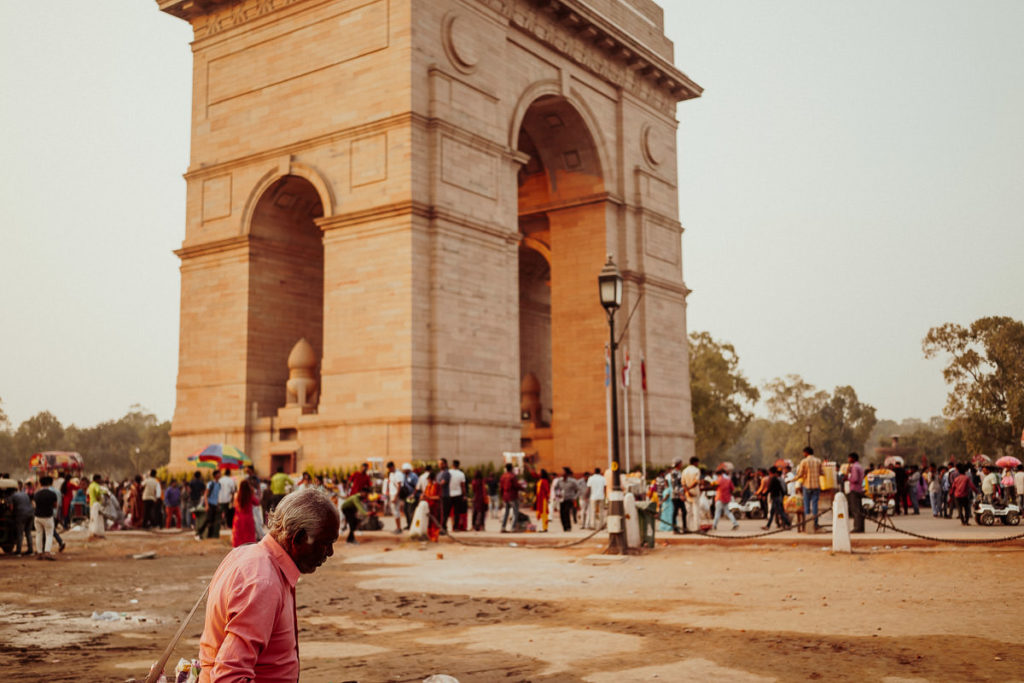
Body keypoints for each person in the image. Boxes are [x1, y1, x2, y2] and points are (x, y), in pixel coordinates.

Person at [197, 489, 340, 682]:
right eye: (325, 543)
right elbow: (229, 677)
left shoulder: (247, 555)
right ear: (298, 538)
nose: (329, 552)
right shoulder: (263, 582)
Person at [795, 447, 822, 532]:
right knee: (815, 506)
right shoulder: (818, 461)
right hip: (816, 486)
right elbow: (822, 473)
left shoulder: (804, 461)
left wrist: (793, 480)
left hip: (806, 486)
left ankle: (808, 524)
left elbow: (800, 474)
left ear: (806, 453)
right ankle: (815, 523)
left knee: (807, 506)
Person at [33, 475, 59, 559]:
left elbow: (35, 504)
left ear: (40, 483)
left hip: (37, 517)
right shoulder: (52, 494)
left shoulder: (36, 494)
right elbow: (55, 506)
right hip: (48, 516)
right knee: (49, 534)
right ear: (50, 483)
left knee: (39, 534)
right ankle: (47, 552)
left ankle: (39, 553)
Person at [196, 470, 222, 540]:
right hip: (210, 504)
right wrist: (207, 505)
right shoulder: (211, 484)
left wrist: (217, 504)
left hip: (215, 504)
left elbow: (217, 495)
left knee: (212, 521)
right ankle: (198, 533)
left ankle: (209, 536)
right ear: (216, 475)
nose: (220, 474)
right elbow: (205, 494)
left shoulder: (219, 484)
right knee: (208, 520)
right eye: (219, 473)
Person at [231, 479, 257, 547]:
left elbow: (234, 505)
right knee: (249, 538)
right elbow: (257, 502)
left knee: (239, 537)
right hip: (248, 519)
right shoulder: (250, 496)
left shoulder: (236, 495)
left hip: (238, 519)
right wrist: (252, 492)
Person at [11, 481, 35, 555]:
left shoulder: (12, 496)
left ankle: (18, 551)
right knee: (28, 532)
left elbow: (11, 508)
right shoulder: (25, 494)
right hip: (30, 514)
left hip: (21, 515)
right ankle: (30, 550)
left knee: (20, 533)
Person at [681, 457, 702, 532]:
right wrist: (690, 488)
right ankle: (697, 528)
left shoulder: (684, 470)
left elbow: (683, 483)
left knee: (688, 511)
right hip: (695, 493)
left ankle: (688, 527)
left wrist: (687, 490)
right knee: (696, 511)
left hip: (687, 493)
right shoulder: (696, 470)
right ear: (695, 462)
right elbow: (696, 482)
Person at [846, 453, 865, 533]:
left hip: (854, 489)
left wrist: (848, 477)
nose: (848, 460)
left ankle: (857, 527)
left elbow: (855, 479)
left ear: (852, 458)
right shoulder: (859, 466)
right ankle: (861, 527)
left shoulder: (854, 467)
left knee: (855, 509)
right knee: (859, 509)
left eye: (849, 458)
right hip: (859, 489)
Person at [499, 463, 521, 533]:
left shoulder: (503, 476)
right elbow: (516, 486)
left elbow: (501, 488)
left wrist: (502, 496)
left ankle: (503, 527)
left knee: (506, 513)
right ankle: (513, 528)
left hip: (505, 497)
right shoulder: (512, 476)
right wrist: (523, 488)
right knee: (515, 512)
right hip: (512, 496)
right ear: (511, 468)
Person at [384, 461, 404, 534]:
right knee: (394, 511)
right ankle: (397, 527)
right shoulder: (391, 474)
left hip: (395, 494)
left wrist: (396, 496)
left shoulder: (398, 474)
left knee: (396, 511)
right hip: (392, 494)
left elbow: (399, 486)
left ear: (392, 467)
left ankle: (399, 528)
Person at [448, 460, 467, 531]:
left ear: (452, 465)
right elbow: (463, 486)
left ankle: (444, 526)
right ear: (458, 465)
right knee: (457, 512)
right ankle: (455, 527)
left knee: (447, 511)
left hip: (449, 494)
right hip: (458, 494)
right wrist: (464, 495)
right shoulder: (461, 474)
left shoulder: (448, 472)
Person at [87, 473, 107, 540]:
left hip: (92, 503)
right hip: (96, 503)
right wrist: (105, 492)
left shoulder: (90, 485)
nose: (100, 480)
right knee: (98, 519)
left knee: (93, 518)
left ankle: (92, 532)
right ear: (97, 479)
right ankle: (97, 533)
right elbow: (98, 491)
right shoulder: (96, 485)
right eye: (99, 479)